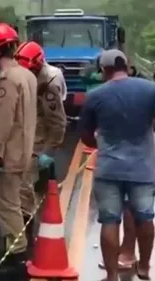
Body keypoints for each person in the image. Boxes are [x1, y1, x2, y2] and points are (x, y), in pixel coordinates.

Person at [79, 49, 155, 281]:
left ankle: (112, 275)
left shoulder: (96, 95)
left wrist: (102, 146)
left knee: (110, 220)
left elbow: (85, 136)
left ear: (104, 70)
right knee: (145, 216)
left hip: (109, 169)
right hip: (142, 168)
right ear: (127, 64)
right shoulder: (150, 89)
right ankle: (143, 267)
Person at [0, 23, 38, 270]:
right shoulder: (27, 75)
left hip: (9, 155)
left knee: (6, 205)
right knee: (16, 202)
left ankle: (15, 253)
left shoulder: (7, 79)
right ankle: (19, 248)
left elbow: (2, 123)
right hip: (24, 151)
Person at [14, 41, 67, 242]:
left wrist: (49, 151)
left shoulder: (48, 84)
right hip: (22, 140)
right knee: (23, 189)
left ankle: (26, 237)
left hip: (37, 144)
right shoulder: (25, 76)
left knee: (25, 191)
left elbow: (58, 122)